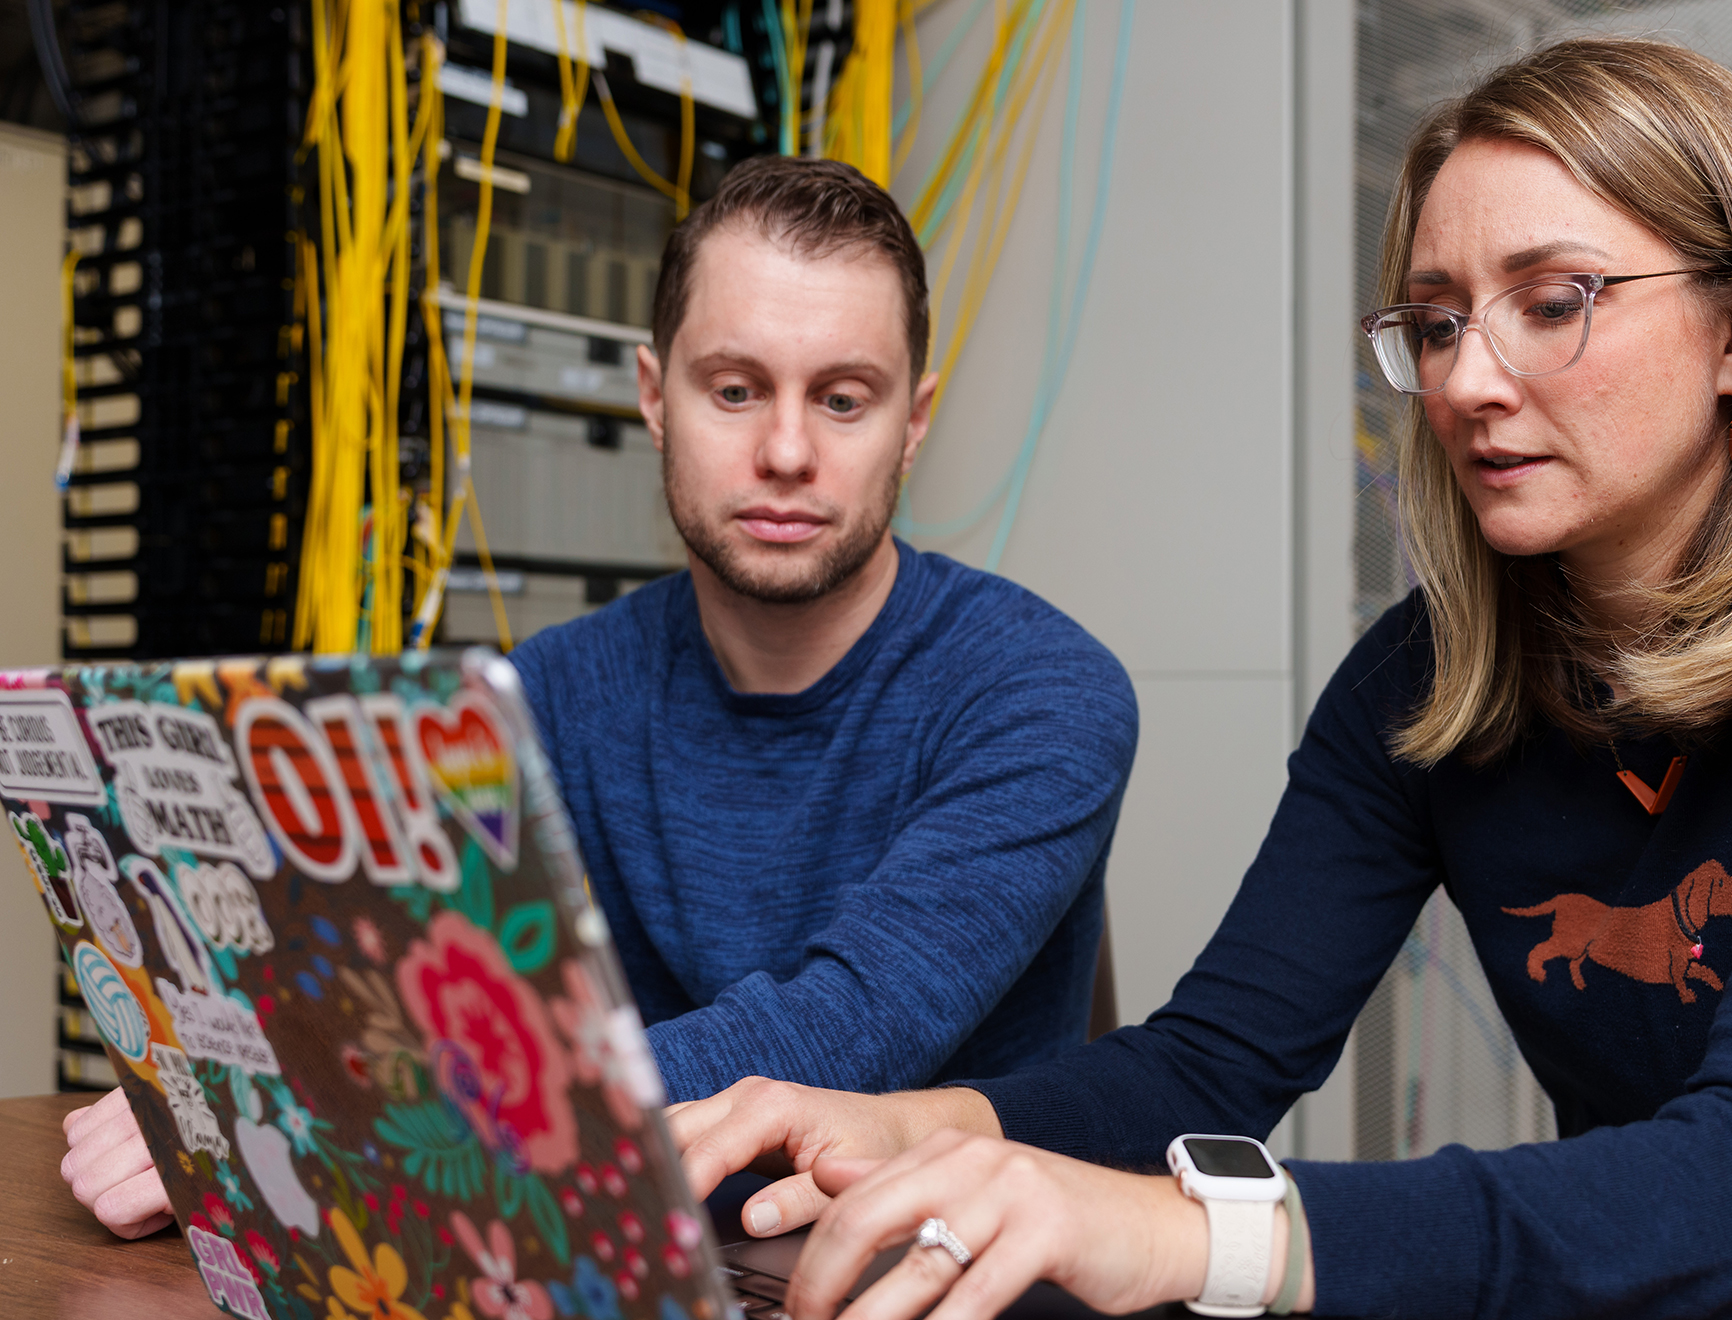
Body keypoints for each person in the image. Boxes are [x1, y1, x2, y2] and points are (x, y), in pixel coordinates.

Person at [663, 39, 1732, 1320]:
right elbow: (1209, 1066)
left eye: (1554, 301)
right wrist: (920, 1129)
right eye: (1440, 321)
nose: (1470, 379)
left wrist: (1198, 1236)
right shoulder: (1429, 683)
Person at [61, 156, 1139, 1242]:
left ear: (914, 421)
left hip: (947, 1280)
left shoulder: (1045, 694)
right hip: (621, 1249)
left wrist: (326, 1101)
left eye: (844, 400)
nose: (785, 451)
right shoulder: (541, 694)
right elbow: (387, 979)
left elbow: (839, 1030)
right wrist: (236, 1079)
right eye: (734, 389)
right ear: (650, 396)